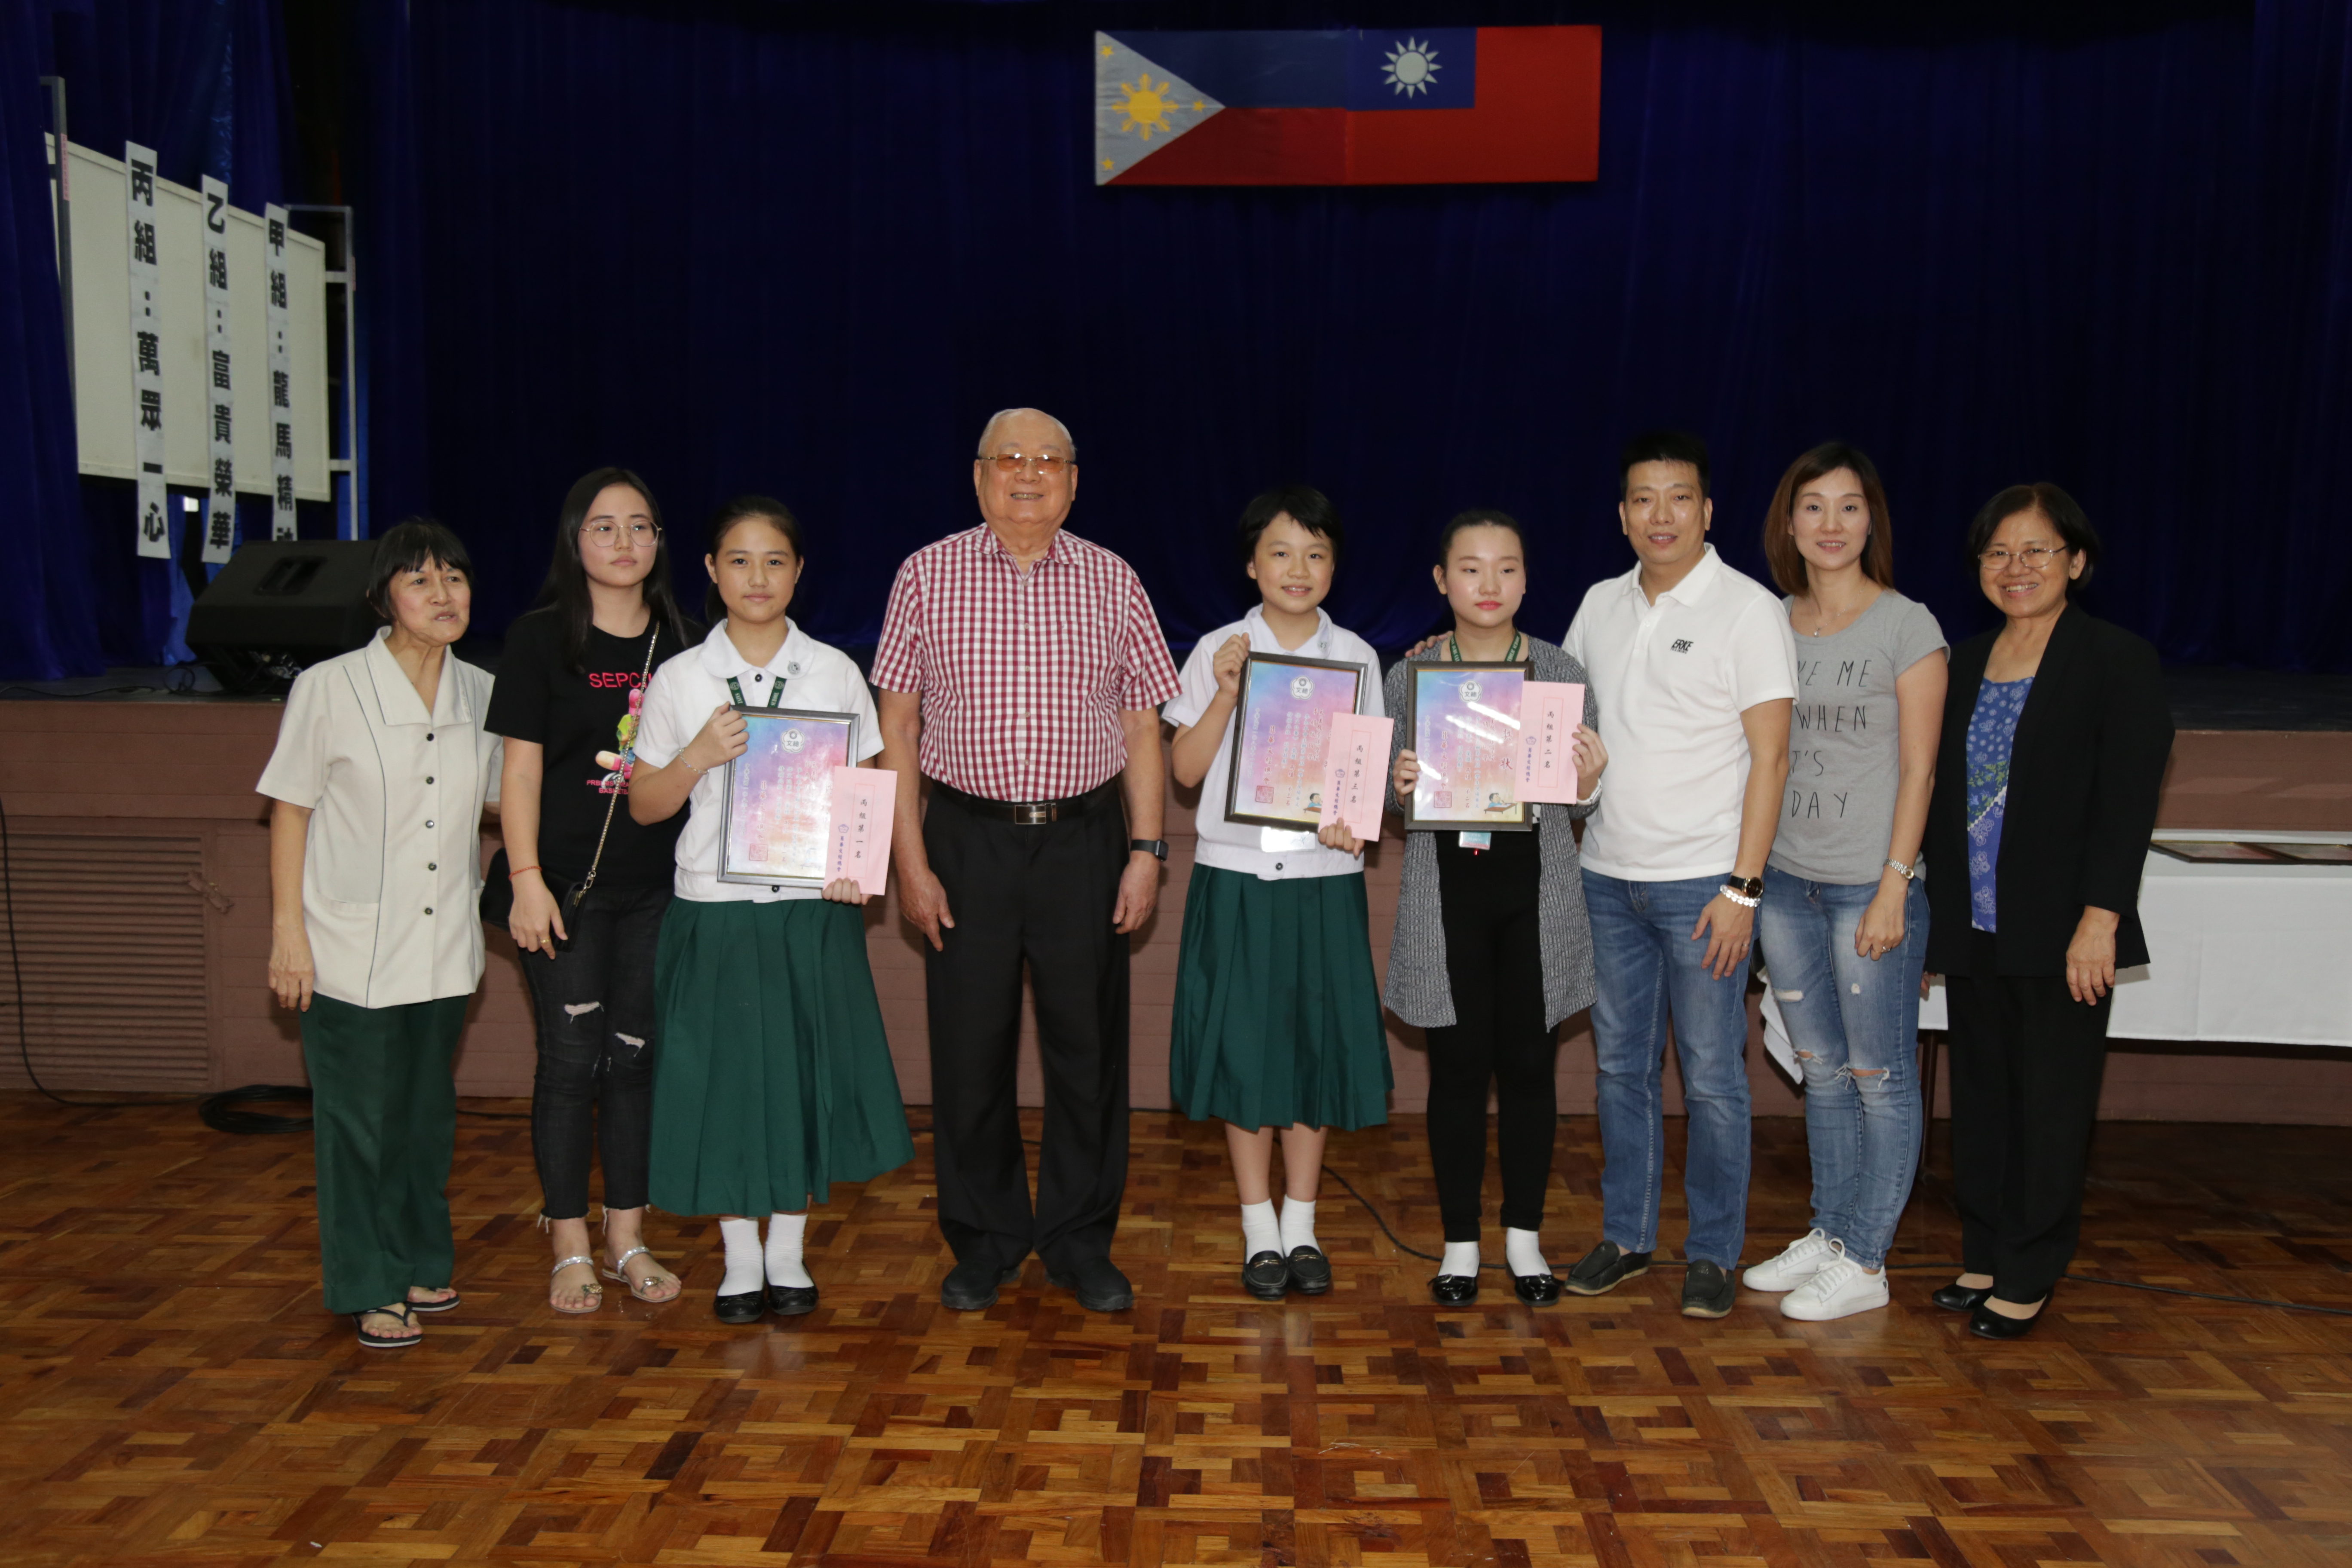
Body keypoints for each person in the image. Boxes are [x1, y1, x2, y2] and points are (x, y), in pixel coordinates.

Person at [873, 408, 1182, 1316]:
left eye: (1049, 460)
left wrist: (1147, 849)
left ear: (1074, 483)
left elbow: (1142, 727)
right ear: (978, 476)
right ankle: (986, 1240)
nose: (1028, 473)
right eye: (1009, 457)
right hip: (964, 838)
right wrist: (910, 861)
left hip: (1083, 841)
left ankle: (1081, 1241)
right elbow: (897, 726)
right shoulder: (925, 574)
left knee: (1089, 1051)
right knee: (970, 1050)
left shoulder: (1114, 580)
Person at [628, 496, 914, 1323]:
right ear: (711, 571)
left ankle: (787, 1252)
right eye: (740, 560)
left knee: (802, 1078)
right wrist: (695, 755)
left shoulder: (833, 671)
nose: (758, 577)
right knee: (724, 1085)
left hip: (808, 913)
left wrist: (854, 869)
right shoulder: (682, 678)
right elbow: (645, 806)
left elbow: (869, 784)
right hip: (715, 911)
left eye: (776, 560)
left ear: (799, 573)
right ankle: (739, 1259)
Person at [1922, 483, 2172, 1340]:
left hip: (2064, 926)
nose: (2016, 567)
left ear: (2076, 561)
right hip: (1973, 921)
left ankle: (2030, 1268)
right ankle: (1985, 1250)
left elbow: (2127, 803)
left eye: (2036, 550)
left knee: (2051, 1102)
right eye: (1998, 552)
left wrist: (2102, 918)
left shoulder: (2115, 660)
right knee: (1983, 1097)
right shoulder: (1961, 663)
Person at [1562, 431, 1796, 1319]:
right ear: (1623, 515)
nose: (1661, 515)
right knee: (1621, 1072)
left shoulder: (1749, 610)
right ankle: (1627, 1237)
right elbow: (1565, 726)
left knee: (1711, 1078)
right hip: (1605, 877)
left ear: (1707, 510)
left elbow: (1772, 759)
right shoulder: (1599, 604)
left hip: (1705, 887)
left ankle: (1713, 1254)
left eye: (1679, 497)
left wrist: (1743, 889)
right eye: (1643, 499)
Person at [259, 520, 502, 1349]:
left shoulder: (481, 692)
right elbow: (290, 809)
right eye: (420, 580)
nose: (443, 595)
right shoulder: (329, 688)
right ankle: (368, 1282)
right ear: (383, 598)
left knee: (424, 1117)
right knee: (358, 1124)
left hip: (445, 945)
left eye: (455, 578)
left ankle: (420, 1259)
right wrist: (288, 934)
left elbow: (506, 799)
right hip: (345, 945)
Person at [1163, 487, 1392, 1301]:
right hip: (1237, 880)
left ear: (1335, 566)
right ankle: (1258, 1228)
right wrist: (1228, 691)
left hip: (1324, 883)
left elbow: (1365, 783)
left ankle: (1302, 1224)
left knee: (1312, 1049)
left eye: (1317, 553)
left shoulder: (1357, 657)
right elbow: (1185, 771)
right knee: (1242, 1052)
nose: (1300, 569)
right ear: (1252, 565)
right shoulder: (1217, 649)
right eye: (1282, 552)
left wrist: (1355, 821)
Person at [486, 467, 699, 1315]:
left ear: (659, 544)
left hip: (660, 890)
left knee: (636, 1062)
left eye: (640, 526)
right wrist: (526, 880)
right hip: (564, 889)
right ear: (575, 542)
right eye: (604, 527)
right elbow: (520, 774)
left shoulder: (688, 642)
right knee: (573, 1065)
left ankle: (628, 1239)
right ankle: (569, 1241)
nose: (624, 542)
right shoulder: (541, 639)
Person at [1741, 444, 1947, 1321]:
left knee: (1878, 1074)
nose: (1832, 524)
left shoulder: (1908, 626)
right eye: (1814, 507)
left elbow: (1922, 770)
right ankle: (1829, 1234)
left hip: (1870, 885)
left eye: (1850, 506)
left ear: (1873, 522)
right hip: (1788, 884)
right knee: (1820, 1069)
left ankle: (1867, 1259)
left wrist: (1896, 884)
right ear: (1789, 525)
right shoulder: (1768, 625)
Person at [1383, 511, 1609, 1307]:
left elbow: (1577, 802)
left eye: (1506, 568)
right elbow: (1389, 793)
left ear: (1526, 579)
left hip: (1535, 899)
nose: (1489, 584)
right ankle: (1459, 1247)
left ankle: (1524, 1240)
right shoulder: (1410, 676)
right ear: (1442, 580)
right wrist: (1399, 786)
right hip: (1446, 898)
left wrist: (1590, 779)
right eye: (1471, 568)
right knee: (1455, 1071)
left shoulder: (1559, 670)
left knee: (1528, 1070)